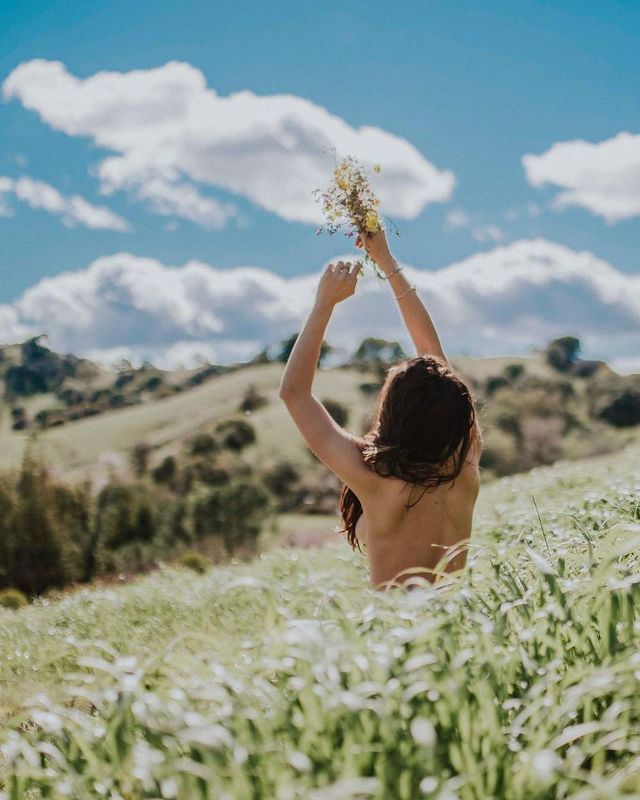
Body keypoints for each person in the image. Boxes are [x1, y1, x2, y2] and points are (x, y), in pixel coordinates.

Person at [278, 229, 483, 589]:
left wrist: (323, 304)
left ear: (393, 413)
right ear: (454, 410)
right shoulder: (465, 464)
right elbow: (435, 357)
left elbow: (294, 393)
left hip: (398, 635)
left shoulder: (376, 480)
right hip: (457, 631)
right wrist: (387, 262)